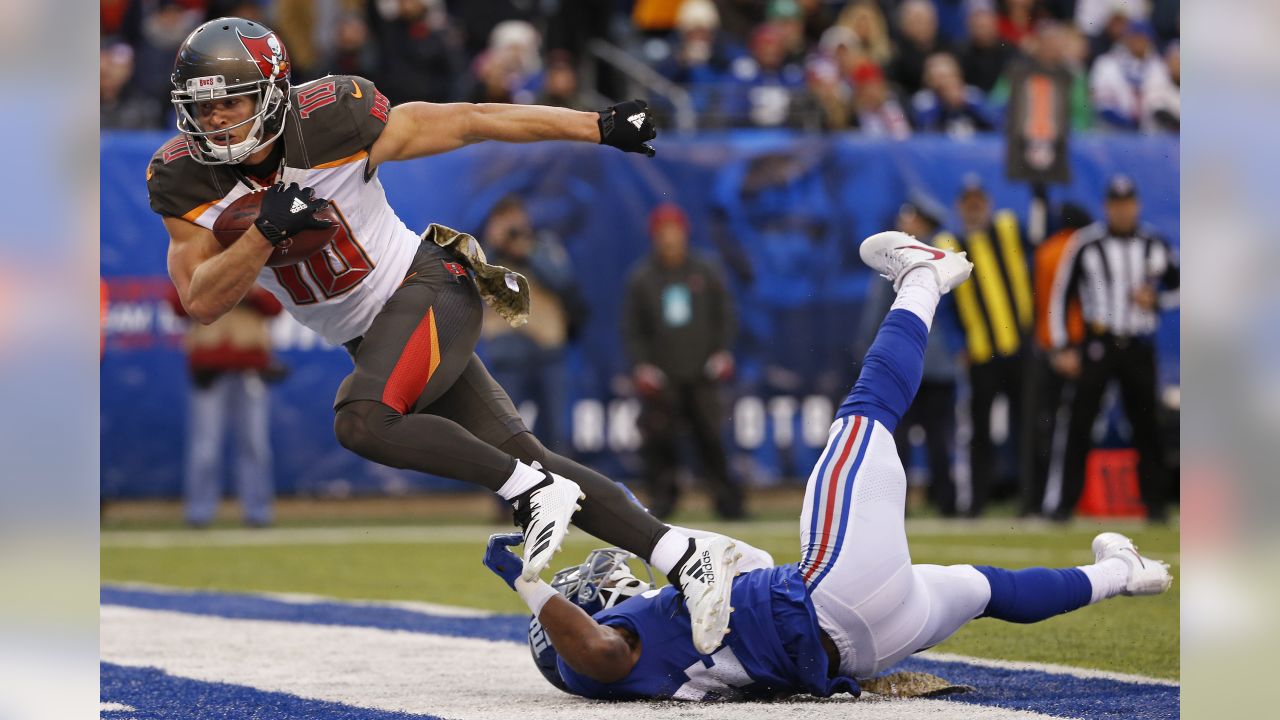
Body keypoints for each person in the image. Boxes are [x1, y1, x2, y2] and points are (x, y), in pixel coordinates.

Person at [147, 17, 738, 654]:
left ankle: (531, 491)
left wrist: (596, 125)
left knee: (362, 420)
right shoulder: (184, 177)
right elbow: (202, 299)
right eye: (201, 106)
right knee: (531, 456)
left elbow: (471, 118)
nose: (214, 120)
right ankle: (690, 556)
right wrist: (266, 231)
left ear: (273, 91)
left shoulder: (334, 120)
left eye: (229, 101)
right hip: (376, 338)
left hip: (428, 288)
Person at [484, 231, 1172, 700]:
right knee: (866, 411)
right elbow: (599, 653)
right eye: (580, 602)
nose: (601, 587)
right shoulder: (609, 660)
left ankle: (1123, 573)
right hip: (829, 599)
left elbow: (715, 565)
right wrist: (530, 584)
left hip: (862, 643)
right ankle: (925, 276)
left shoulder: (673, 650)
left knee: (983, 586)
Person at [1047, 175, 1179, 522]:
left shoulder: (1155, 244)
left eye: (1128, 204)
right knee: (1079, 422)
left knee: (1147, 426)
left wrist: (1158, 300)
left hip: (1138, 344)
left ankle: (1156, 506)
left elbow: (1180, 288)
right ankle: (1063, 505)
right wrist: (1063, 346)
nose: (1122, 211)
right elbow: (1062, 295)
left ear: (1136, 205)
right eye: (1116, 204)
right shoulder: (1086, 244)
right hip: (1098, 344)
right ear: (1107, 207)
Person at [621, 204, 742, 520]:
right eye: (663, 232)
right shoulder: (642, 277)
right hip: (663, 376)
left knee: (712, 440)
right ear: (655, 236)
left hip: (702, 372)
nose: (670, 239)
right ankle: (662, 502)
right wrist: (643, 364)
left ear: (684, 233)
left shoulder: (705, 270)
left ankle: (728, 502)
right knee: (661, 445)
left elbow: (724, 314)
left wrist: (722, 351)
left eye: (674, 231)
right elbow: (633, 328)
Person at [854, 199, 963, 516]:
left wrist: (868, 351)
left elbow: (875, 313)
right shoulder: (949, 261)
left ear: (922, 223)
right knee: (935, 439)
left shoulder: (898, 259)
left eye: (911, 216)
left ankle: (897, 507)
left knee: (898, 439)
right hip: (938, 363)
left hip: (905, 364)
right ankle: (945, 503)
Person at [935, 175, 1034, 516]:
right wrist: (957, 344)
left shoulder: (1008, 229)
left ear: (988, 203)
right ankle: (975, 502)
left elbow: (1038, 246)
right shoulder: (949, 245)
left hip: (1019, 347)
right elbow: (944, 306)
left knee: (1026, 424)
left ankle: (1030, 500)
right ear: (959, 207)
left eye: (979, 200)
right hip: (980, 352)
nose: (975, 207)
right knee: (978, 430)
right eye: (968, 201)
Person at [167, 284, 283, 527]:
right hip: (209, 368)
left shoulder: (257, 261)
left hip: (249, 366)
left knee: (254, 443)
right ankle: (199, 513)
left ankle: (258, 512)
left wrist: (249, 291)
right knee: (205, 446)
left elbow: (276, 306)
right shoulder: (198, 260)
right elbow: (177, 306)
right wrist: (214, 289)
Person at [479, 195, 587, 455]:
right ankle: (508, 496)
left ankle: (560, 492)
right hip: (508, 357)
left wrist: (529, 252)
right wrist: (496, 247)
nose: (513, 226)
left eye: (517, 217)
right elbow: (478, 282)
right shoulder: (485, 254)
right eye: (505, 220)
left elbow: (563, 281)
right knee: (504, 433)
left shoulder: (545, 245)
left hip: (549, 353)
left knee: (558, 434)